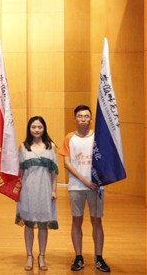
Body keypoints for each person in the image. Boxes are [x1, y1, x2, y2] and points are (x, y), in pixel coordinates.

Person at [59, 105, 110, 272]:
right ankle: (78, 257)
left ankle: (99, 258)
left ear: (91, 119)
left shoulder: (98, 137)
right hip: (76, 186)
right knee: (77, 221)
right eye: (80, 116)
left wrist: (96, 180)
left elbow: (105, 159)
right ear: (75, 119)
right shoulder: (69, 138)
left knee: (97, 221)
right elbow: (67, 163)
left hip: (96, 186)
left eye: (86, 116)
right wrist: (84, 180)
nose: (83, 119)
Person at [15, 116, 58, 271]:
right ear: (29, 129)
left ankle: (42, 256)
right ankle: (29, 256)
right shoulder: (23, 146)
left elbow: (54, 172)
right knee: (28, 224)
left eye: (40, 127)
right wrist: (18, 190)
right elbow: (20, 172)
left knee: (43, 224)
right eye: (34, 127)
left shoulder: (51, 146)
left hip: (45, 189)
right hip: (27, 190)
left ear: (44, 128)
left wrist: (54, 190)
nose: (37, 130)